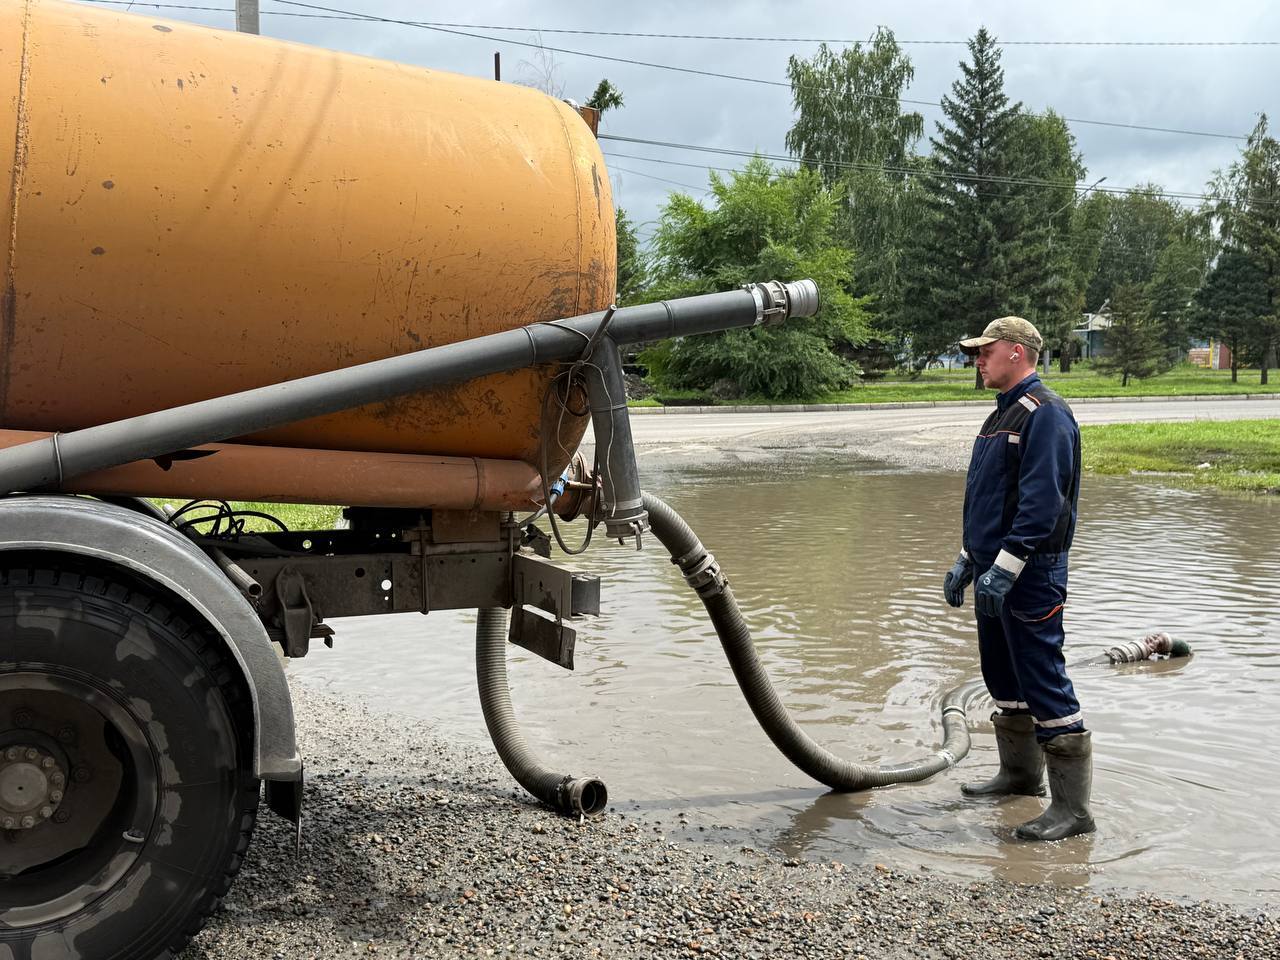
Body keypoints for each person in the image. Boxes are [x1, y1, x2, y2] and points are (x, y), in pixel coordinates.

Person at [942, 316, 1095, 842]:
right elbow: (987, 501)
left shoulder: (1045, 414)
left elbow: (1041, 504)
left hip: (1028, 575)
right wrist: (968, 558)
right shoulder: (999, 415)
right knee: (1004, 681)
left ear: (1015, 351)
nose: (977, 360)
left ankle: (1073, 812)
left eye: (984, 351)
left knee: (1044, 682)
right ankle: (1019, 777)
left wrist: (1004, 569)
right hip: (994, 571)